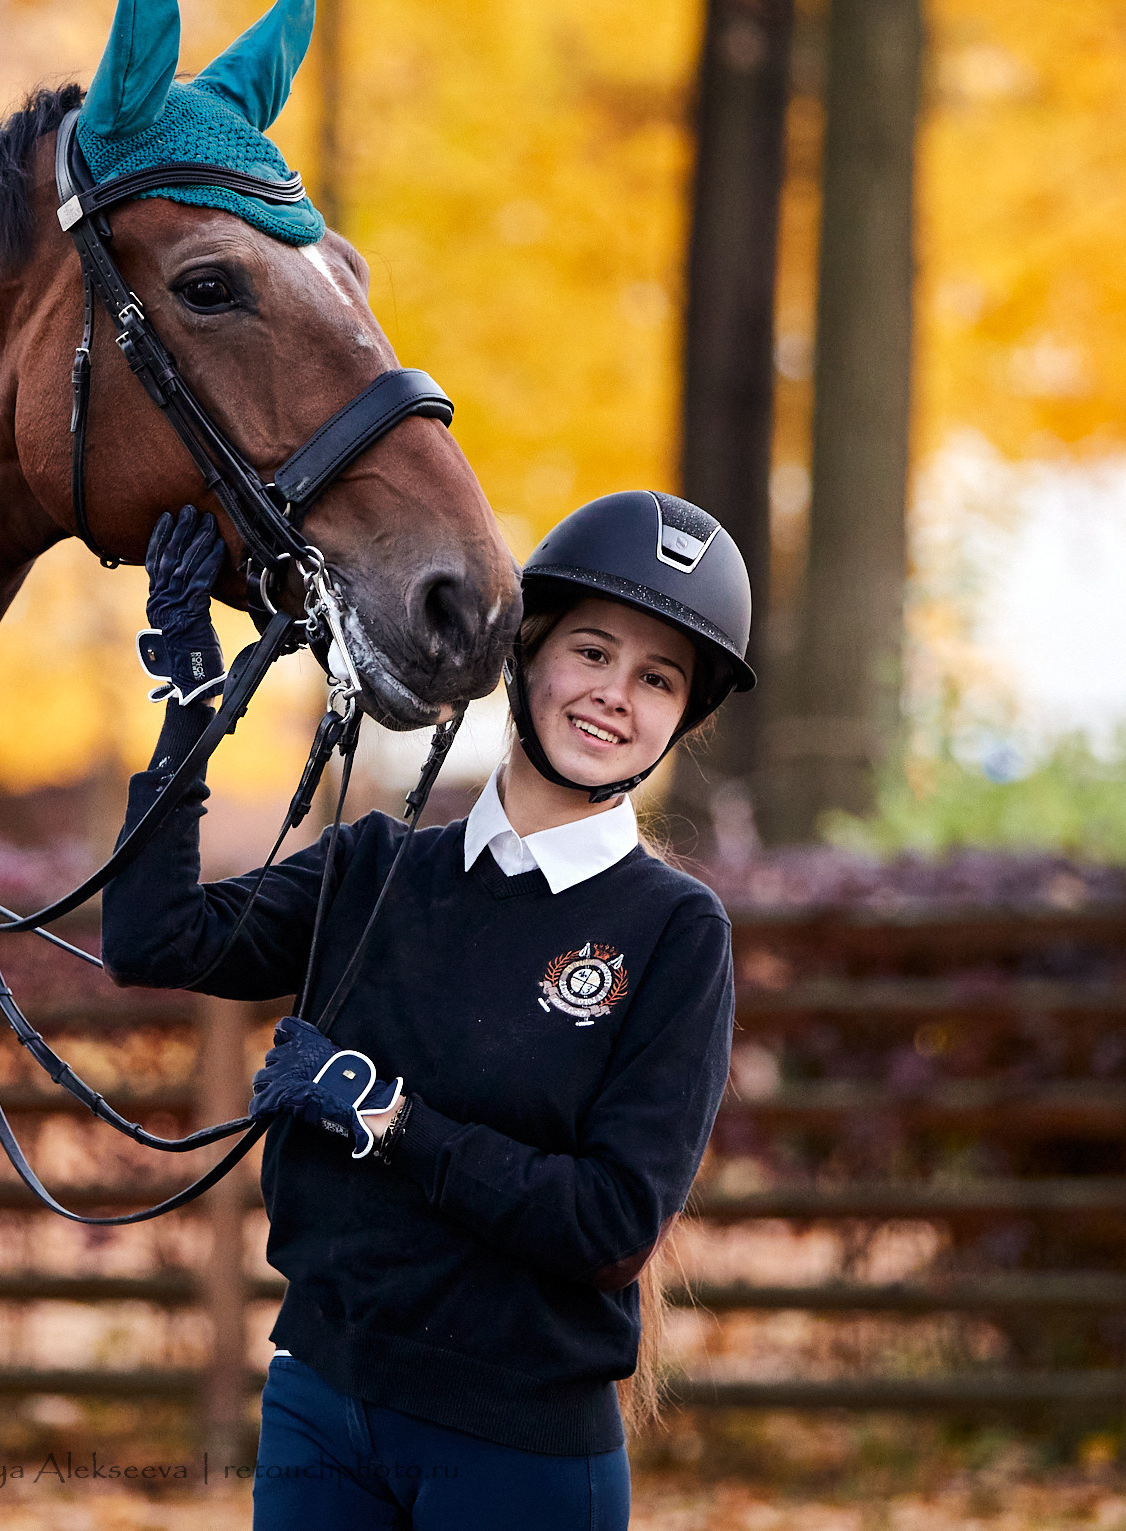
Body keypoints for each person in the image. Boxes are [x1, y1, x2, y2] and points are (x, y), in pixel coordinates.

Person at [104, 490, 757, 1531]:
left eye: (656, 678)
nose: (614, 696)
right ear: (524, 655)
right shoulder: (374, 864)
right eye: (591, 653)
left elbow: (609, 1226)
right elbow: (155, 941)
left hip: (513, 1448)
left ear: (683, 716)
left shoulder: (674, 933)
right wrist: (191, 711)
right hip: (320, 1402)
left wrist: (390, 1121)